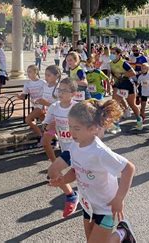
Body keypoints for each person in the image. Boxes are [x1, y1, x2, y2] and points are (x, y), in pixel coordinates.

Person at [47, 100, 137, 243]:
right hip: (88, 204)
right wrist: (63, 180)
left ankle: (122, 233)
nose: (71, 132)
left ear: (93, 128)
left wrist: (119, 199)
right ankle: (122, 234)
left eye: (76, 128)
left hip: (106, 206)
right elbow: (77, 170)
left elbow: (128, 168)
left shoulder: (100, 152)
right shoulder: (74, 145)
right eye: (70, 126)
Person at [41, 78, 79, 218]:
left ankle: (78, 198)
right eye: (59, 90)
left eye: (64, 90)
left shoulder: (77, 108)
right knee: (53, 172)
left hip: (78, 148)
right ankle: (71, 195)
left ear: (73, 93)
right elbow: (44, 125)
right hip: (65, 148)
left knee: (54, 171)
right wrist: (47, 127)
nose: (61, 93)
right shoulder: (54, 107)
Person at [110, 47, 143, 130]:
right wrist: (111, 79)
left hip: (128, 85)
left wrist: (123, 75)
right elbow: (112, 73)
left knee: (132, 105)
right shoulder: (110, 63)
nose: (112, 55)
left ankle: (139, 119)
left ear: (118, 54)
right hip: (118, 85)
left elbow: (133, 72)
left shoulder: (123, 63)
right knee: (114, 104)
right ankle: (116, 124)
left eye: (114, 53)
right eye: (111, 53)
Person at [18, 65, 48, 140]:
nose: (28, 74)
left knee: (28, 119)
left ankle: (41, 136)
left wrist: (45, 105)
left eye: (30, 72)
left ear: (36, 72)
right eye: (27, 72)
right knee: (45, 124)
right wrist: (19, 96)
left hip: (41, 105)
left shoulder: (42, 82)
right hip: (35, 105)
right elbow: (24, 95)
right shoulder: (27, 83)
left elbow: (46, 94)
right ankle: (54, 138)